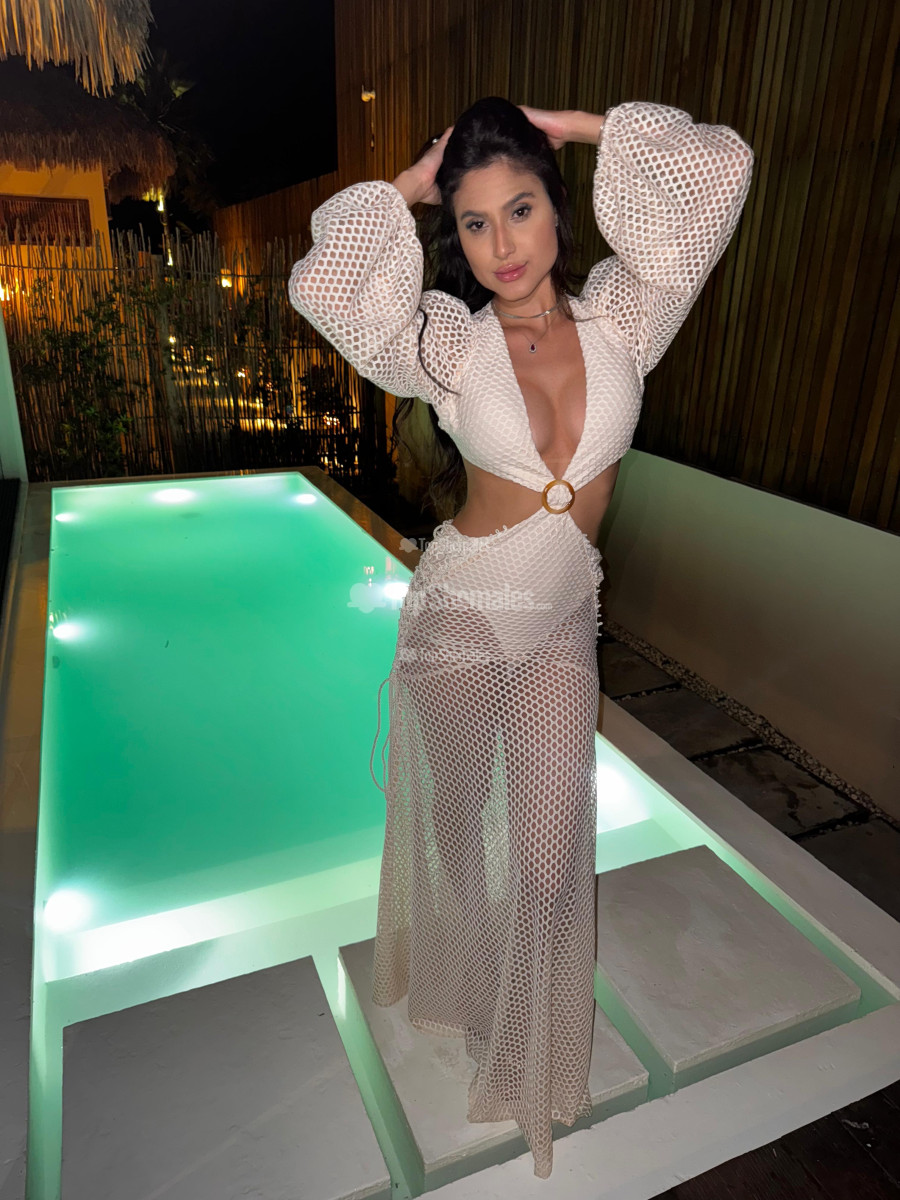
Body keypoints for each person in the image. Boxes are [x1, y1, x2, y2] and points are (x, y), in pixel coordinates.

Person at [288, 98, 754, 1179]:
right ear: (454, 236)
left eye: (522, 208)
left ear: (557, 206)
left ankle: (526, 1054)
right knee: (459, 833)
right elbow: (325, 286)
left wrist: (575, 126)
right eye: (475, 223)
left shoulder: (629, 316)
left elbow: (720, 171)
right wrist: (414, 183)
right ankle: (468, 995)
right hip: (457, 620)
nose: (502, 244)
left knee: (548, 857)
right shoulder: (447, 344)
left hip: (559, 627)